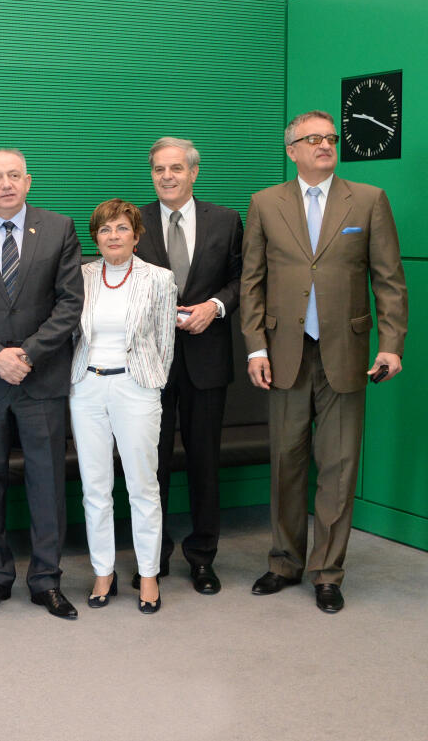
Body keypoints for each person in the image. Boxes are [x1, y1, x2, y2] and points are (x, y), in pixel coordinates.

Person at [241, 110, 407, 614]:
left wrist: (391, 343)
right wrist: (255, 345)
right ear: (291, 150)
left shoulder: (370, 200)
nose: (324, 145)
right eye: (313, 139)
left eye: (330, 138)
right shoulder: (266, 203)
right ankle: (285, 561)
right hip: (284, 352)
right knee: (286, 463)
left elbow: (389, 280)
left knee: (337, 466)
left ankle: (327, 572)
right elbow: (252, 280)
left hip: (347, 353)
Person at [0, 148, 83, 619]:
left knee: (46, 482)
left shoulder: (59, 228)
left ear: (28, 181)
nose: (5, 184)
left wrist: (26, 354)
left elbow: (70, 304)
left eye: (13, 175)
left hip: (41, 376)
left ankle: (46, 580)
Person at [134, 137, 242, 595]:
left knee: (203, 463)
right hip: (149, 363)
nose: (167, 177)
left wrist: (215, 306)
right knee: (150, 467)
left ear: (193, 173)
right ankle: (151, 559)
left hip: (206, 359)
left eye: (176, 168)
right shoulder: (135, 221)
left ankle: (202, 557)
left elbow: (243, 279)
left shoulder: (227, 220)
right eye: (159, 169)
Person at [70, 199, 176, 614]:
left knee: (142, 486)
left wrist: (150, 385)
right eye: (105, 230)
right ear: (95, 237)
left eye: (121, 228)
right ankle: (104, 570)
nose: (113, 236)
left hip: (137, 389)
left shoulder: (159, 279)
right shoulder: (81, 276)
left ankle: (148, 574)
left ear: (137, 234)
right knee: (95, 487)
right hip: (87, 388)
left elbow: (165, 343)